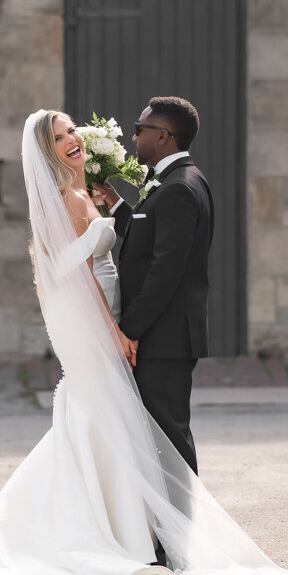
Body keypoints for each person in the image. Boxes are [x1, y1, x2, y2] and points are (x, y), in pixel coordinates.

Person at [0, 109, 288, 575]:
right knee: (113, 417)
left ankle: (152, 535)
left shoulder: (170, 186)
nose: (73, 139)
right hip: (98, 319)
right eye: (60, 136)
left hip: (126, 323)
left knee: (124, 422)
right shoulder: (74, 196)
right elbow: (84, 270)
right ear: (46, 151)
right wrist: (114, 328)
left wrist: (124, 320)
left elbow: (161, 261)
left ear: (162, 136)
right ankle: (134, 535)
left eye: (72, 132)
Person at [94, 96, 212, 482]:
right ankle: (163, 533)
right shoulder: (173, 181)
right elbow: (148, 240)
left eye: (140, 130)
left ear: (162, 136)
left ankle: (181, 536)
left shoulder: (179, 186)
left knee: (168, 439)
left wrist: (129, 329)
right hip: (162, 335)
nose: (133, 138)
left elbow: (167, 271)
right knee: (154, 436)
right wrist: (114, 202)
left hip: (165, 338)